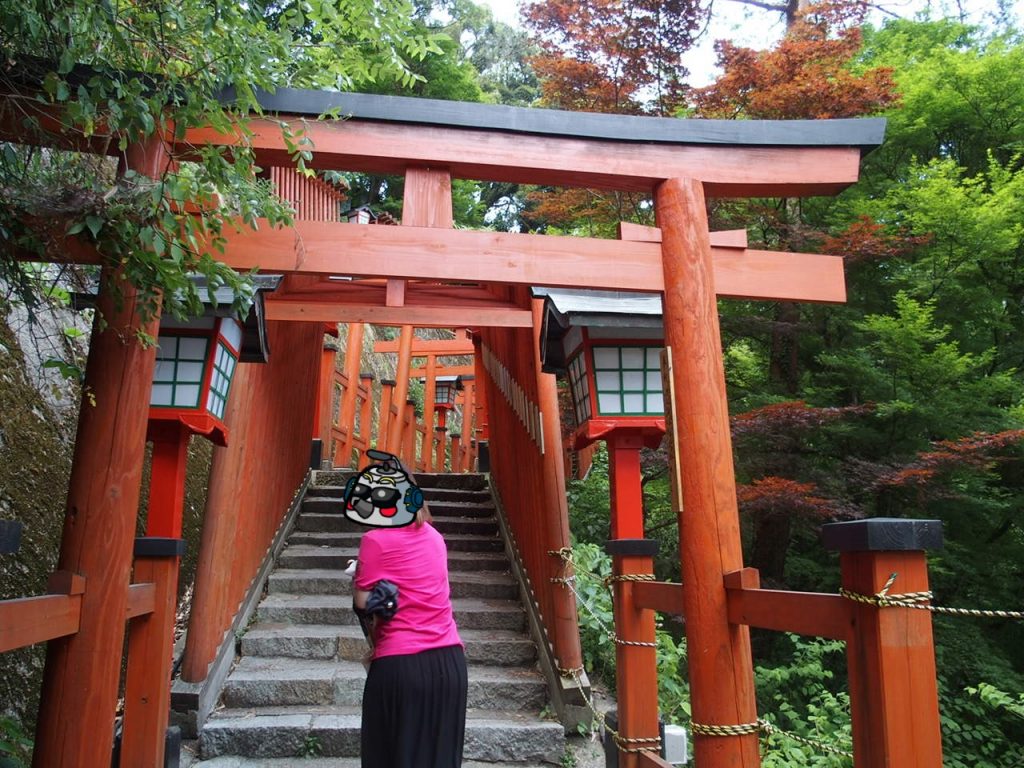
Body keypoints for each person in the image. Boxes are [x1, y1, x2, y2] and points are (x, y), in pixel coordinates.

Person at [352, 468, 467, 768]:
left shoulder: (375, 539)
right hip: (450, 664)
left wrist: (360, 577)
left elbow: (363, 602)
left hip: (402, 667)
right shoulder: (435, 537)